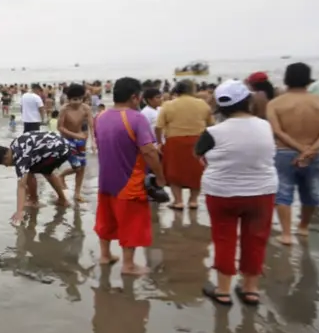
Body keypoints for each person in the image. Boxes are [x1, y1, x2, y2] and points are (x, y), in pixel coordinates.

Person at [194, 81, 277, 306]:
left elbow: (199, 154)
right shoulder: (264, 126)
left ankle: (222, 290)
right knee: (256, 239)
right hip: (262, 192)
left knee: (224, 239)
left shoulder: (212, 132)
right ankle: (251, 289)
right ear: (248, 101)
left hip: (222, 193)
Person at [92, 77, 165, 276]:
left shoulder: (100, 117)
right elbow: (149, 151)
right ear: (134, 97)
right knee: (131, 222)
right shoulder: (136, 117)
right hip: (129, 180)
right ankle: (129, 265)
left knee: (105, 219)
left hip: (105, 179)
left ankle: (105, 256)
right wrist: (160, 176)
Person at [268, 62, 319, 244]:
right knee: (311, 192)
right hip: (312, 155)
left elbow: (277, 131)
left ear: (287, 78)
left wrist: (300, 149)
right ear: (308, 79)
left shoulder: (275, 103)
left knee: (283, 192)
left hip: (283, 152)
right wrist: (310, 150)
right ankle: (303, 227)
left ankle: (286, 234)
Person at [156, 80, 214, 210]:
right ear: (192, 90)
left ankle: (178, 201)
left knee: (174, 172)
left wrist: (159, 142)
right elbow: (211, 125)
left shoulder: (168, 105)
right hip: (198, 140)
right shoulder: (202, 104)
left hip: (174, 140)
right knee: (196, 171)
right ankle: (193, 201)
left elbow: (158, 126)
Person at [0, 131, 71, 226]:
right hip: (61, 142)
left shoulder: (20, 159)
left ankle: (36, 200)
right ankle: (58, 199)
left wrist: (19, 212)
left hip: (60, 150)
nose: (7, 166)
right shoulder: (14, 145)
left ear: (6, 157)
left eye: (5, 164)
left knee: (44, 172)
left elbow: (21, 186)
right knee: (39, 171)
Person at [57, 83, 93, 203]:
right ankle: (62, 175)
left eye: (79, 99)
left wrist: (94, 141)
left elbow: (91, 126)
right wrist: (76, 135)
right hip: (67, 140)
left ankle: (77, 193)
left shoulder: (86, 108)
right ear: (69, 99)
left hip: (81, 140)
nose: (77, 102)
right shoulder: (64, 109)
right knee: (77, 166)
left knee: (82, 167)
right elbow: (60, 128)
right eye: (74, 99)